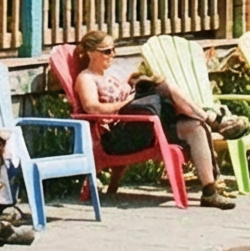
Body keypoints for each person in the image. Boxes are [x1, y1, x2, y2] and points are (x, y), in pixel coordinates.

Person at [70, 28, 238, 207]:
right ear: (90, 53)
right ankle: (212, 119)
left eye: (113, 49)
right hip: (117, 137)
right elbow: (92, 108)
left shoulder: (110, 74)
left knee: (195, 127)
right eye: (106, 51)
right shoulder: (86, 79)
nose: (112, 54)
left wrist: (136, 84)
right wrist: (125, 102)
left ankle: (210, 193)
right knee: (166, 89)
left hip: (142, 126)